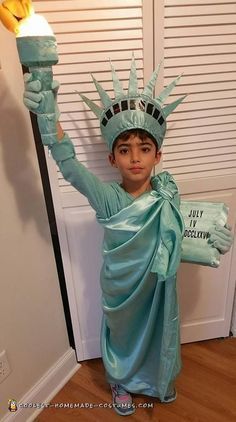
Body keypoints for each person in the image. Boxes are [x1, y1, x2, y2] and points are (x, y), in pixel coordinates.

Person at [0, 1, 234, 416]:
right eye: (124, 150)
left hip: (159, 288)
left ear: (158, 155)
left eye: (144, 149)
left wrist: (216, 240)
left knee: (162, 331)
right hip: (122, 289)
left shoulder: (167, 192)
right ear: (112, 159)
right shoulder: (107, 196)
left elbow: (183, 235)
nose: (135, 157)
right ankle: (120, 382)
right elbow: (68, 163)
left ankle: (158, 380)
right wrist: (48, 114)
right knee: (125, 337)